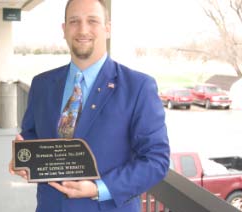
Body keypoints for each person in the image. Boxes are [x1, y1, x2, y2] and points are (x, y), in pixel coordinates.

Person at [9, 0, 170, 211]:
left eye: (92, 21)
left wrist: (99, 189)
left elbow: (156, 160)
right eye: (74, 21)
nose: (83, 29)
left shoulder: (138, 87)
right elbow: (31, 134)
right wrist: (23, 158)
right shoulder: (42, 84)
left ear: (108, 28)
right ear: (64, 29)